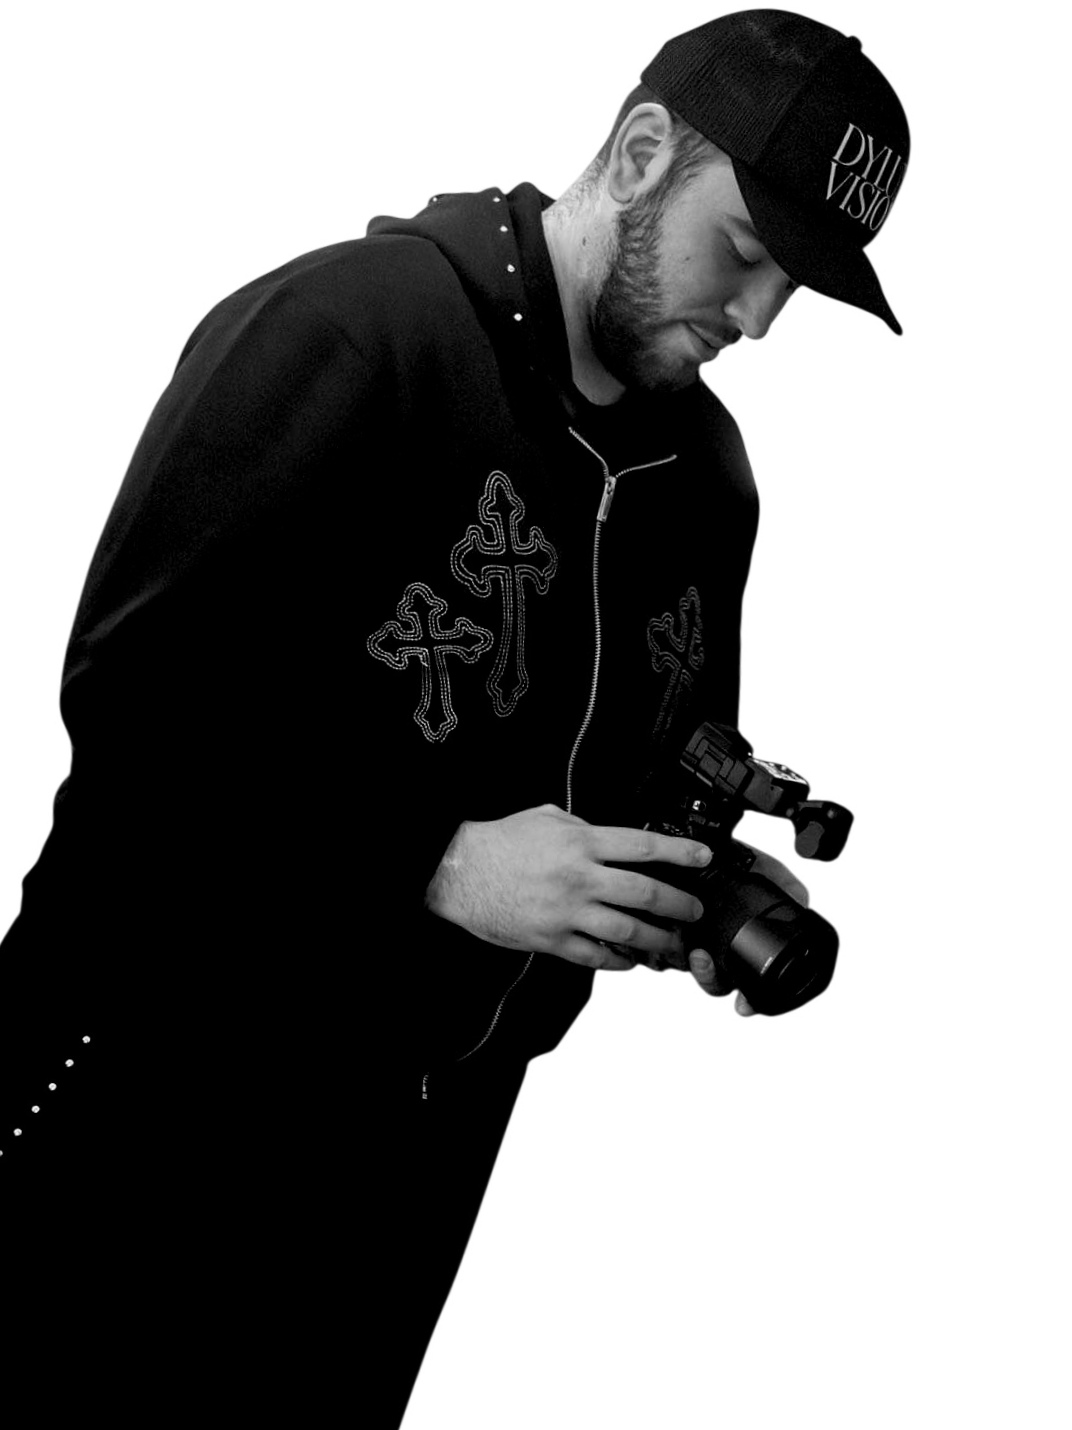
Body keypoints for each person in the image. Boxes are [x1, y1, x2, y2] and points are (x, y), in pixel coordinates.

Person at [0, 9, 909, 1423]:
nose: (756, 319)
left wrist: (676, 888)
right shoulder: (352, 332)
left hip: (414, 1155)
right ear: (644, 149)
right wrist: (433, 857)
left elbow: (633, 772)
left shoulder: (706, 483)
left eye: (794, 284)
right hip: (140, 1098)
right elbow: (138, 719)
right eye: (744, 251)